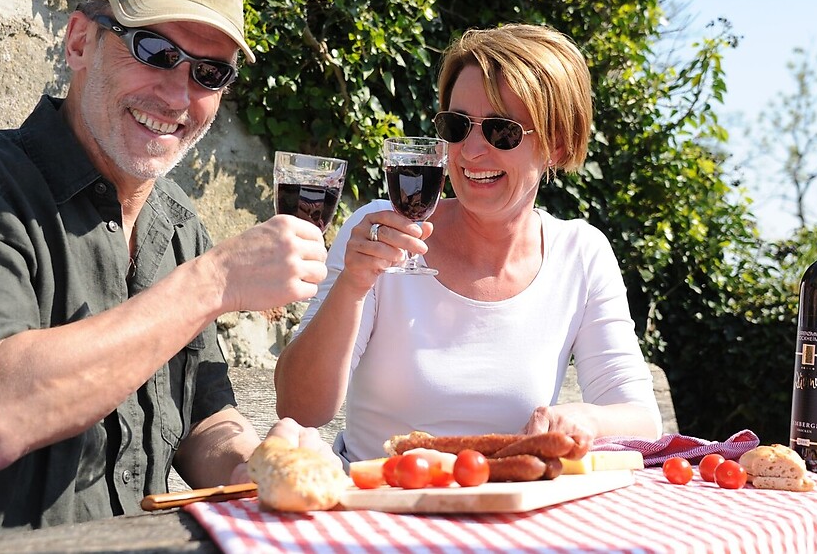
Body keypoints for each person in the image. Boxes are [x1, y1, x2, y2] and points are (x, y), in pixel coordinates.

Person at [0, 0, 335, 548]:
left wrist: (251, 465)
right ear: (80, 42)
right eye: (154, 50)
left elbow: (202, 417)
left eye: (209, 72)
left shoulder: (180, 224)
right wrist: (211, 283)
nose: (176, 95)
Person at [274, 24, 663, 463]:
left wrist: (586, 420)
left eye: (502, 131)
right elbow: (299, 410)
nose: (471, 150)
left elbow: (641, 418)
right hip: (380, 510)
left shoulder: (581, 254)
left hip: (511, 509)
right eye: (456, 126)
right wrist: (353, 287)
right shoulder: (380, 231)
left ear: (555, 145)